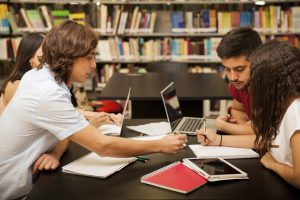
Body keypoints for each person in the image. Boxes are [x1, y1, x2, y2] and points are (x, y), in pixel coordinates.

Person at [0, 20, 187, 199]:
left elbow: (62, 129)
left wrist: (56, 153)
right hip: (13, 191)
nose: (94, 65)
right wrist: (160, 145)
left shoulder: (40, 76)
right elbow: (103, 146)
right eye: (89, 57)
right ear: (68, 56)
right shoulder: (47, 93)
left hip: (29, 181)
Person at [0, 33, 122, 179]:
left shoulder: (46, 81)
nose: (55, 58)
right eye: (46, 53)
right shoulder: (25, 86)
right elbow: (61, 117)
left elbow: (62, 127)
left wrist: (56, 153)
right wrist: (88, 119)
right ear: (29, 59)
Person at [198, 39, 300, 189]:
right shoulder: (282, 106)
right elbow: (265, 140)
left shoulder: (295, 112)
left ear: (270, 81)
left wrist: (272, 164)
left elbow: (298, 178)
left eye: (257, 79)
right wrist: (217, 140)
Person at [214, 27, 262, 135]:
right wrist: (246, 127)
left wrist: (223, 126)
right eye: (227, 69)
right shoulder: (241, 83)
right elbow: (237, 110)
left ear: (258, 61)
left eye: (239, 69)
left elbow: (264, 132)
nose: (232, 78)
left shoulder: (271, 85)